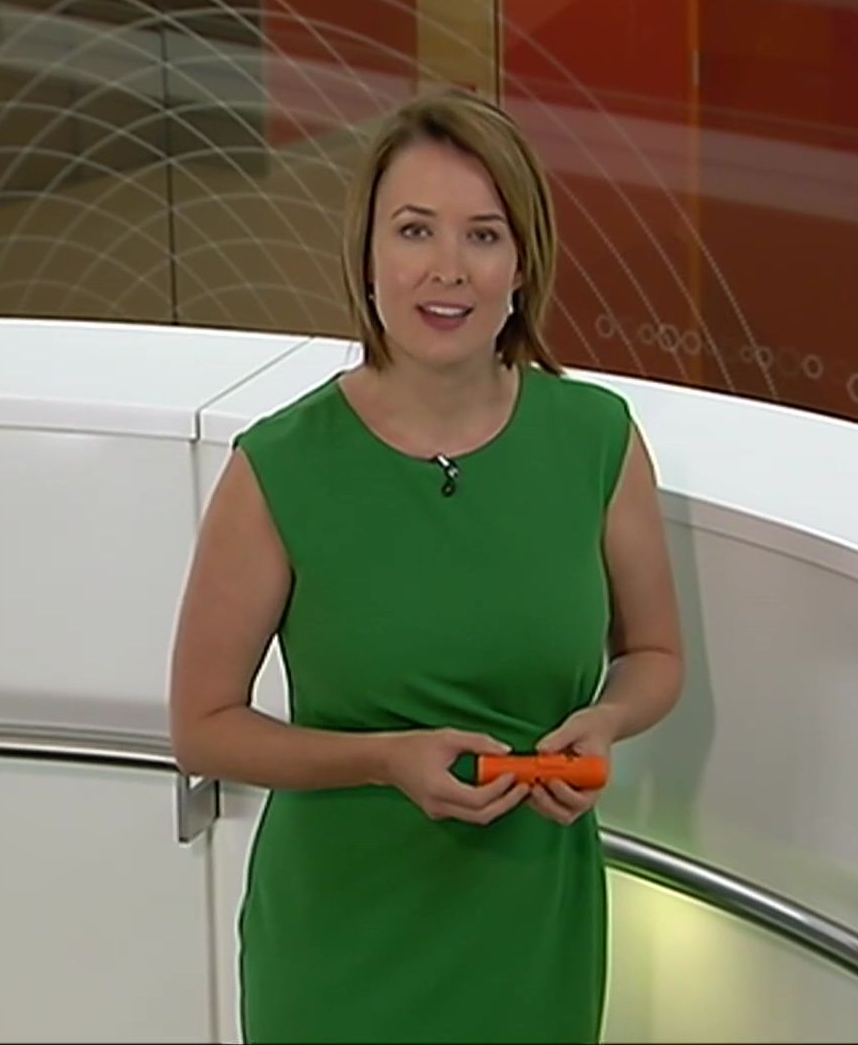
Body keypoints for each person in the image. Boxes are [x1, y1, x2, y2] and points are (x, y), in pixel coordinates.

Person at [168, 87, 684, 1044]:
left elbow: (655, 654)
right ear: (367, 254)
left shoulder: (596, 440)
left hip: (530, 938)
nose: (447, 269)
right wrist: (381, 760)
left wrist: (608, 721)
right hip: (340, 951)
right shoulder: (281, 467)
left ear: (522, 262)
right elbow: (203, 729)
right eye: (415, 230)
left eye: (483, 235)